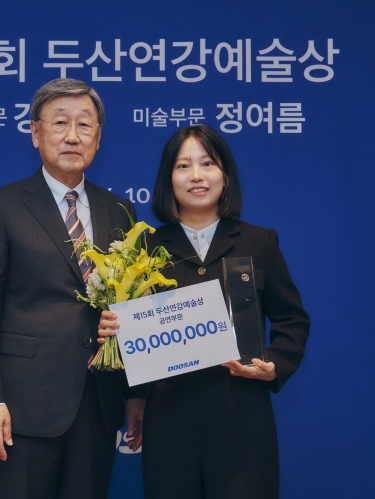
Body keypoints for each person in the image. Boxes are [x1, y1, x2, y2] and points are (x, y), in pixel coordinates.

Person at [98, 125, 310, 498]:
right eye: (183, 166)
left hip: (243, 415)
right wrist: (133, 390)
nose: (196, 176)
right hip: (168, 416)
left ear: (225, 175)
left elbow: (292, 319)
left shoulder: (259, 242)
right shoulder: (145, 248)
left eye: (208, 163)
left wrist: (275, 364)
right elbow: (135, 333)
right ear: (168, 179)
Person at [0, 78, 145, 499]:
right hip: (24, 407)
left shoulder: (120, 210)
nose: (72, 136)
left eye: (85, 124)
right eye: (60, 122)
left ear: (98, 137)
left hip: (99, 404)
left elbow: (134, 306)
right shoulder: (2, 207)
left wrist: (136, 394)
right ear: (35, 132)